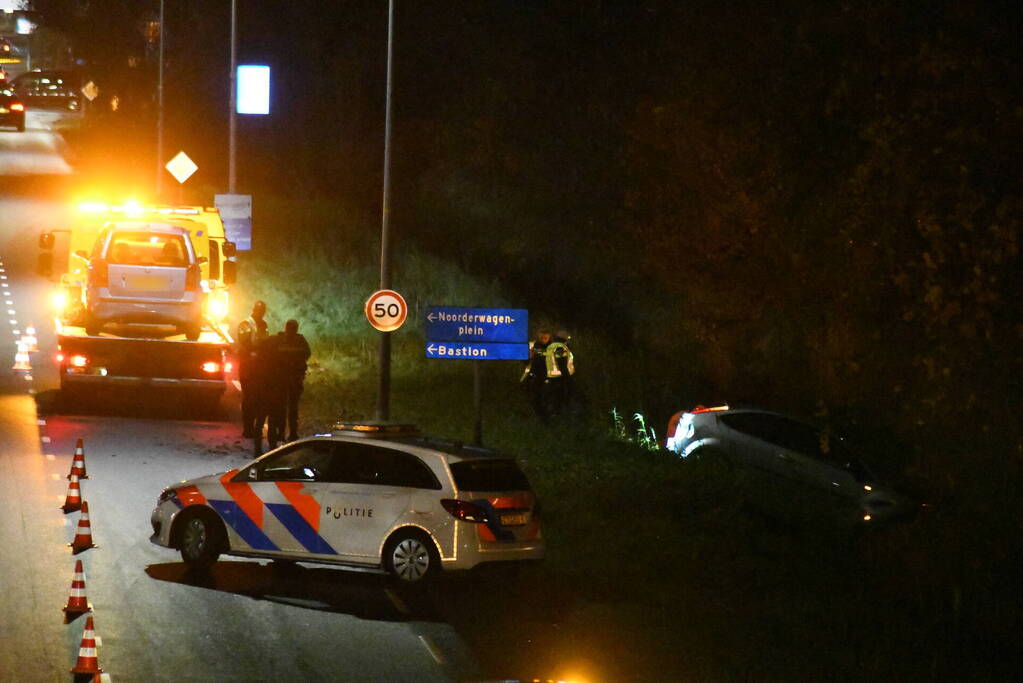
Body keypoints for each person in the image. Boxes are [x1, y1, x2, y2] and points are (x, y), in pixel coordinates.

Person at [236, 300, 269, 439]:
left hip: (259, 367)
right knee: (249, 397)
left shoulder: (264, 324)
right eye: (258, 310)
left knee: (258, 398)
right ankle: (248, 428)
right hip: (248, 366)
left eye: (262, 311)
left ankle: (255, 427)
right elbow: (245, 343)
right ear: (254, 310)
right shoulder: (245, 323)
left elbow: (266, 342)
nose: (260, 313)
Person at [274, 319, 311, 442]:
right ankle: (287, 433)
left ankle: (287, 433)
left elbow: (307, 353)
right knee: (285, 407)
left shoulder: (295, 340)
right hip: (286, 378)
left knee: (286, 407)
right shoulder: (297, 340)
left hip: (291, 378)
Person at [521, 329, 553, 420]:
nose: (543, 339)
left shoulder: (553, 347)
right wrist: (530, 355)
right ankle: (539, 417)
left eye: (545, 337)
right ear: (538, 336)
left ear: (549, 337)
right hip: (535, 376)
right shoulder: (533, 346)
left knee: (546, 399)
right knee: (535, 399)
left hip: (549, 377)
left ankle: (547, 418)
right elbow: (526, 361)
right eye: (542, 337)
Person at [544, 330, 577, 416]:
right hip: (561, 378)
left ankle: (554, 416)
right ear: (564, 339)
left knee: (554, 399)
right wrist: (568, 378)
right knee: (562, 398)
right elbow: (562, 364)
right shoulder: (560, 347)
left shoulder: (550, 346)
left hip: (551, 377)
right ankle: (562, 418)